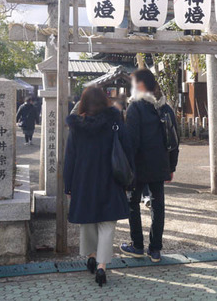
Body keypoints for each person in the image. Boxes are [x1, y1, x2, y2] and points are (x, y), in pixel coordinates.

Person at [64, 87, 134, 287]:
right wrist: (130, 180)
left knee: (87, 221)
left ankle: (91, 256)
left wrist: (68, 186)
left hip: (83, 181)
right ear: (104, 101)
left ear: (83, 103)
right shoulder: (115, 122)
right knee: (106, 224)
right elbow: (127, 150)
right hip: (110, 180)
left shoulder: (78, 126)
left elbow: (70, 158)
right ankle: (102, 267)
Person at [120, 69, 179, 263]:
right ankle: (155, 250)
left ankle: (137, 245)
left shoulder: (136, 107)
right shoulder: (165, 108)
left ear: (141, 85)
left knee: (132, 203)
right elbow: (174, 141)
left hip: (138, 167)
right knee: (158, 206)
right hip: (160, 166)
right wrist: (171, 167)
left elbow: (131, 142)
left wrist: (126, 168)